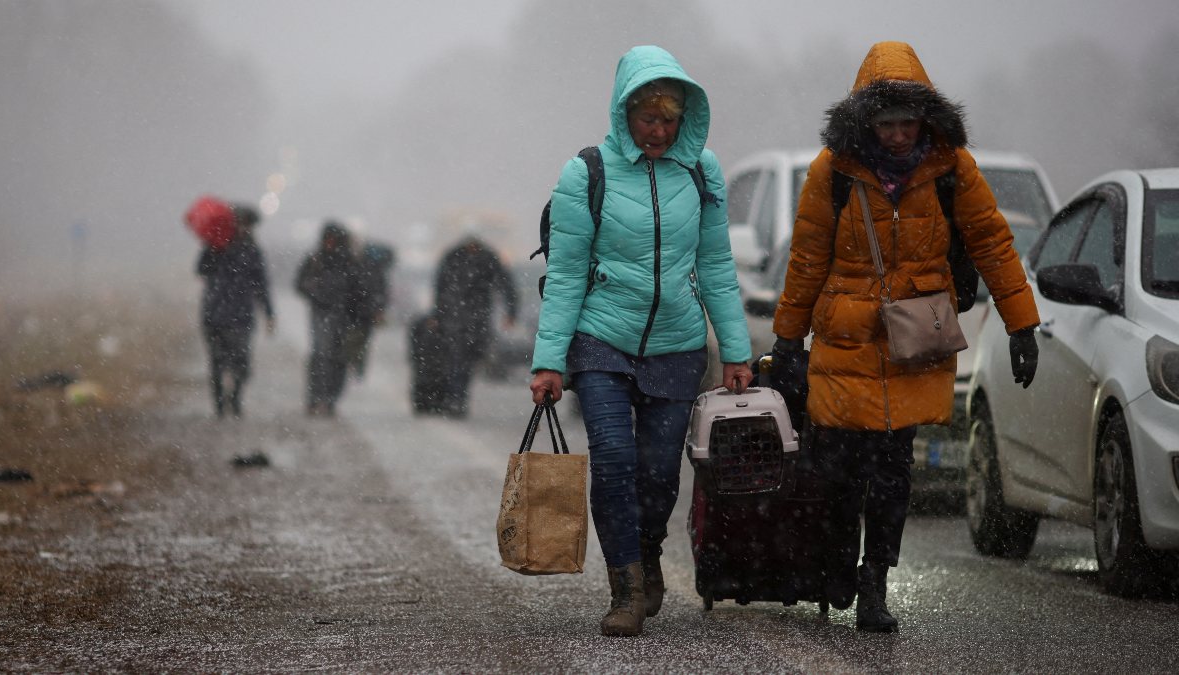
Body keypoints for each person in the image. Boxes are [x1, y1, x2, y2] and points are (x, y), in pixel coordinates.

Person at [769, 41, 1040, 633]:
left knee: (893, 470)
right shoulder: (832, 172)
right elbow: (808, 258)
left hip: (914, 341)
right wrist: (788, 340)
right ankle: (839, 560)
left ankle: (874, 582)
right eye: (885, 123)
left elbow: (993, 242)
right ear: (865, 121)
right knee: (839, 470)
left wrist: (1022, 323)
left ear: (925, 119)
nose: (896, 136)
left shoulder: (952, 169)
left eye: (906, 123)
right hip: (843, 341)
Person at [529, 46, 753, 637]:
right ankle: (625, 586)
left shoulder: (703, 172)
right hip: (602, 338)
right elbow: (569, 271)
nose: (657, 131)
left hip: (678, 344)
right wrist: (550, 361)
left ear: (685, 120)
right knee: (613, 458)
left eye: (668, 120)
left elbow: (717, 264)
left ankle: (647, 550)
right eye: (646, 117)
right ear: (623, 112)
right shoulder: (587, 172)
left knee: (658, 473)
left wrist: (735, 351)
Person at [196, 204, 275, 418]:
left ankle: (235, 398)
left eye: (247, 225)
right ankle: (220, 404)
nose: (244, 228)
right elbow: (201, 270)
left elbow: (262, 284)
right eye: (241, 223)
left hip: (241, 317)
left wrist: (269, 313)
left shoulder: (252, 250)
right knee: (217, 363)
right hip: (214, 316)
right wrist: (214, 249)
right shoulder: (214, 246)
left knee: (242, 365)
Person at [432, 234, 517, 417]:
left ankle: (456, 398)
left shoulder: (482, 258)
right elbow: (441, 286)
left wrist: (511, 311)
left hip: (469, 316)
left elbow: (506, 284)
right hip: (460, 316)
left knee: (464, 360)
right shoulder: (459, 257)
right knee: (458, 359)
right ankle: (456, 398)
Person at [296, 221, 358, 417]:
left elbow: (359, 287)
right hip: (321, 313)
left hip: (344, 316)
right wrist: (315, 292)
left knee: (338, 359)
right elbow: (299, 283)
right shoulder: (316, 259)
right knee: (321, 356)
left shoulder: (349, 261)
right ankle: (316, 398)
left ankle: (329, 399)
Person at [344, 241, 395, 379]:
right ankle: (356, 365)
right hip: (365, 312)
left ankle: (352, 363)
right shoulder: (377, 271)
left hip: (356, 311)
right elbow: (382, 293)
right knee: (362, 340)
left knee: (355, 339)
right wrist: (378, 309)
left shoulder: (358, 267)